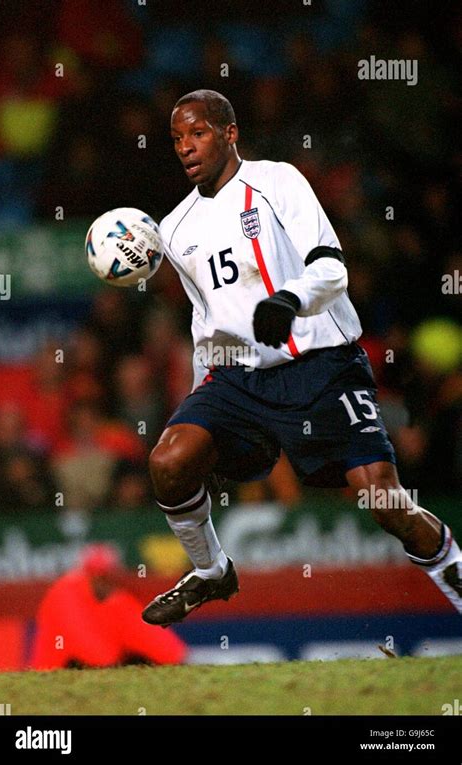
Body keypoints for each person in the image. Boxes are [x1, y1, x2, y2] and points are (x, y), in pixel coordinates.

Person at [141, 89, 462, 628]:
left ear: (229, 132)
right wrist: (200, 392)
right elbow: (205, 321)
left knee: (383, 500)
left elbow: (333, 267)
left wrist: (290, 300)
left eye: (197, 133)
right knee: (168, 462)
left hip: (320, 366)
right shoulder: (174, 228)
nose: (186, 147)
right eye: (177, 138)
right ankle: (212, 570)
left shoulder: (278, 181)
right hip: (238, 380)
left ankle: (454, 573)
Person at [32, 543, 186, 669]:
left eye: (108, 576)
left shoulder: (114, 599)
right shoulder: (65, 593)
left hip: (96, 672)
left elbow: (167, 649)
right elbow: (94, 653)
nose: (105, 582)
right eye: (98, 577)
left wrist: (175, 658)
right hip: (56, 674)